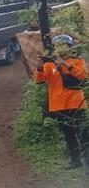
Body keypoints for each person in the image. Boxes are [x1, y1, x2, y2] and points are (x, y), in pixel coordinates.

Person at [35, 34, 88, 169]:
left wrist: (65, 64)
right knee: (68, 134)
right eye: (58, 46)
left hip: (76, 104)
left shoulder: (77, 62)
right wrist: (40, 68)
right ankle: (75, 160)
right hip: (59, 105)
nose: (61, 49)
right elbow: (40, 80)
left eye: (64, 46)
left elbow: (83, 76)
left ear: (70, 48)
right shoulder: (49, 64)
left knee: (83, 134)